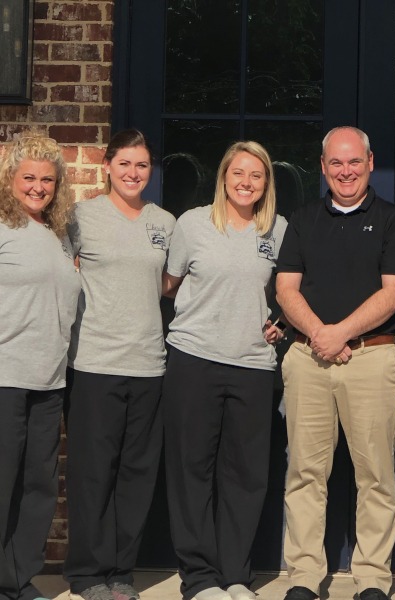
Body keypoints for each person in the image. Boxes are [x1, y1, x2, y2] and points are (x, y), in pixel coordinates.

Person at [275, 126, 395, 600]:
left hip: (372, 358)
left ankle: (373, 577)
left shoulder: (393, 220)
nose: (346, 171)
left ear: (371, 163)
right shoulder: (303, 217)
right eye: (336, 162)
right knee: (305, 473)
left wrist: (341, 333)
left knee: (374, 474)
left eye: (354, 161)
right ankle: (303, 575)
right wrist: (320, 333)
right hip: (307, 358)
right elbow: (285, 289)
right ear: (322, 167)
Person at [161, 140, 287, 600]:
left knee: (246, 474)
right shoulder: (192, 224)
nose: (246, 182)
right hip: (194, 360)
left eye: (256, 175)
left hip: (253, 365)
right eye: (238, 173)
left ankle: (235, 575)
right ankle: (199, 579)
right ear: (223, 176)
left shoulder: (279, 230)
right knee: (192, 470)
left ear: (266, 183)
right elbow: (168, 285)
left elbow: (291, 293)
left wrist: (282, 324)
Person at [63, 129, 176, 600]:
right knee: (93, 472)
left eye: (142, 165)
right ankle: (89, 574)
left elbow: (172, 284)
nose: (133, 173)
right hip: (94, 362)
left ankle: (121, 572)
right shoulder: (79, 217)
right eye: (125, 163)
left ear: (151, 171)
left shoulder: (165, 222)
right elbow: (57, 275)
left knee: (135, 473)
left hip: (149, 363)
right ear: (107, 165)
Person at [0, 133, 80, 600]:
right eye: (28, 177)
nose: (37, 187)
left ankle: (16, 579)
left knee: (37, 487)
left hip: (50, 380)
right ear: (10, 178)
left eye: (47, 179)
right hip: (5, 376)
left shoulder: (59, 233)